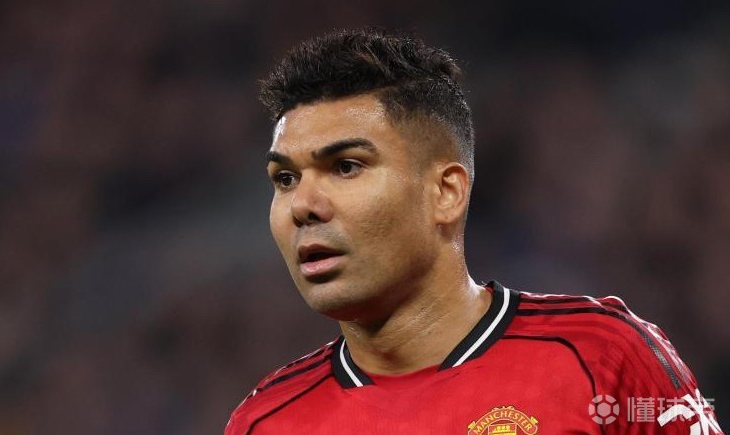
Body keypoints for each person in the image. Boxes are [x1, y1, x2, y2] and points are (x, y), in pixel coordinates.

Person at [226, 28, 723, 434]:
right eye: (285, 179)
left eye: (346, 166)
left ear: (446, 192)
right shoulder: (264, 421)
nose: (303, 206)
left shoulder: (603, 357)